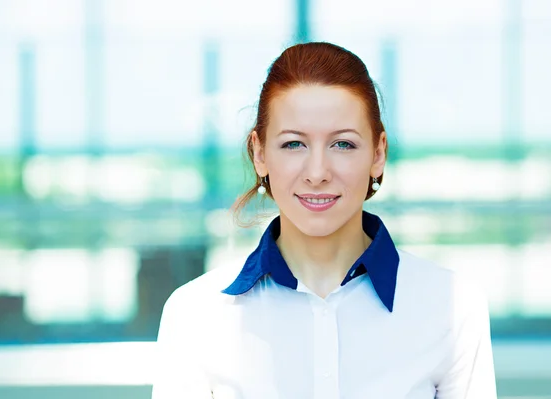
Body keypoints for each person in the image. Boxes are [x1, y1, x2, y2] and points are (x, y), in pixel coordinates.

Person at [152, 42, 497, 399]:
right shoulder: (195, 315)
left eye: (343, 144)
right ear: (259, 153)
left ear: (378, 154)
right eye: (293, 145)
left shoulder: (453, 306)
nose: (317, 173)